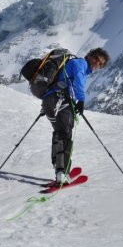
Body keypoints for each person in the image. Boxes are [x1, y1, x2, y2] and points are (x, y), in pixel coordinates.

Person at [40, 47, 110, 184]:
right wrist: (81, 101)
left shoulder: (76, 65)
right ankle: (61, 172)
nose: (97, 64)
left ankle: (58, 167)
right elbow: (78, 81)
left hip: (50, 100)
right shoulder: (80, 64)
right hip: (60, 100)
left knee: (60, 132)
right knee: (65, 134)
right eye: (97, 59)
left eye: (101, 64)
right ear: (90, 56)